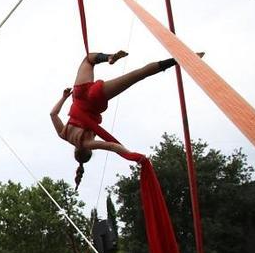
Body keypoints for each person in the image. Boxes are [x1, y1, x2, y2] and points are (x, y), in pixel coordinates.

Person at [50, 50, 203, 188]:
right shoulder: (64, 134)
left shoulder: (87, 143)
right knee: (89, 59)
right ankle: (109, 57)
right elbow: (53, 114)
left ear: (88, 151)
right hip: (79, 93)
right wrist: (64, 97)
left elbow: (112, 146)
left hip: (95, 99)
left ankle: (179, 60)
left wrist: (131, 155)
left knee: (138, 75)